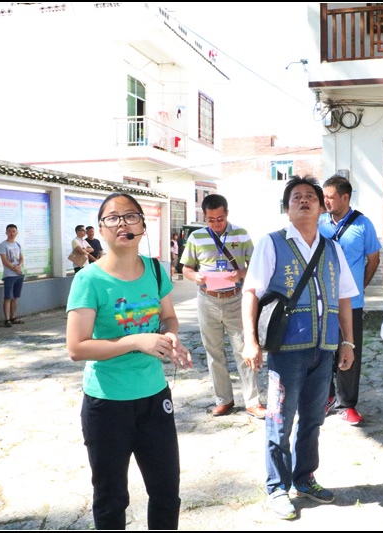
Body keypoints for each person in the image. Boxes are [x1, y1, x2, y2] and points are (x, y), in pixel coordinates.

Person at [66, 192, 192, 530]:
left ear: (142, 225)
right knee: (111, 498)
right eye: (113, 218)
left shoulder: (154, 269)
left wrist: (170, 337)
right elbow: (77, 347)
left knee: (166, 492)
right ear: (101, 230)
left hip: (154, 397)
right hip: (107, 404)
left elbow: (169, 318)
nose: (123, 223)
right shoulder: (89, 279)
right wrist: (135, 340)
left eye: (131, 216)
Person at [241, 176, 358, 520]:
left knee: (313, 419)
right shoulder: (271, 243)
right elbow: (251, 292)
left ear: (323, 207)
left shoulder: (332, 247)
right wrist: (250, 339)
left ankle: (304, 478)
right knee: (279, 419)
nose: (304, 201)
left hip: (323, 348)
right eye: (296, 197)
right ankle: (277, 487)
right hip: (287, 350)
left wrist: (347, 342)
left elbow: (344, 297)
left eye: (311, 196)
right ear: (287, 208)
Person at [180, 194, 266, 419]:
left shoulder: (241, 234)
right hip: (207, 299)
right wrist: (195, 276)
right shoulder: (196, 237)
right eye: (211, 219)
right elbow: (185, 269)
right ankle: (223, 399)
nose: (216, 223)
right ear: (204, 217)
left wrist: (240, 273)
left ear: (227, 213)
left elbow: (255, 266)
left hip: (236, 299)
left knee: (243, 349)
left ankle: (253, 401)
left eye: (220, 218)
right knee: (213, 351)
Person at [318, 175, 381, 426]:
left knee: (349, 351)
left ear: (345, 197)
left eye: (330, 197)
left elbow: (373, 260)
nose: (326, 201)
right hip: (322, 303)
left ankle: (347, 403)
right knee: (323, 353)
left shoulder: (363, 224)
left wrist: (358, 288)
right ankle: (327, 397)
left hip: (351, 303)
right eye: (324, 197)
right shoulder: (319, 222)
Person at [0, 223, 25, 327]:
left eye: (14, 231)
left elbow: (21, 258)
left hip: (19, 274)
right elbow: (4, 261)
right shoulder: (3, 245)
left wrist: (19, 266)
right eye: (9, 231)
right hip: (9, 275)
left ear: (17, 232)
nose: (11, 233)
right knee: (8, 297)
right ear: (6, 232)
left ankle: (14, 317)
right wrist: (15, 268)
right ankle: (7, 319)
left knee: (15, 297)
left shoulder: (18, 245)